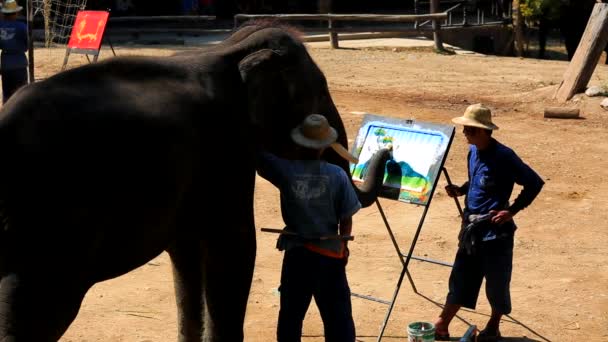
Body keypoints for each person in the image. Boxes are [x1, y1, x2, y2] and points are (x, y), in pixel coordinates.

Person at [433, 103, 544, 342]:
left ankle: (493, 325)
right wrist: (461, 190)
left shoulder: (505, 156)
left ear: (484, 131)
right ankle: (442, 324)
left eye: (470, 130)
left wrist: (511, 211)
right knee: (460, 278)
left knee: (496, 285)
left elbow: (534, 183)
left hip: (496, 235)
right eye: (465, 129)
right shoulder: (473, 152)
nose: (465, 133)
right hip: (471, 232)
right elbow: (476, 181)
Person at [256, 113, 361, 342]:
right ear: (324, 147)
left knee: (291, 317)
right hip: (329, 254)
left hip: (297, 254)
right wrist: (343, 245)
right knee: (338, 318)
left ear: (299, 142)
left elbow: (260, 157)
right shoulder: (337, 175)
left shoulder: (285, 171)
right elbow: (347, 216)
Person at [0, 0, 28, 104]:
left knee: (7, 94)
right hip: (19, 63)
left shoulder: (0, 25)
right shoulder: (22, 26)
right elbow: (27, 44)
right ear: (16, 13)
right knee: (22, 93)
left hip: (5, 63)